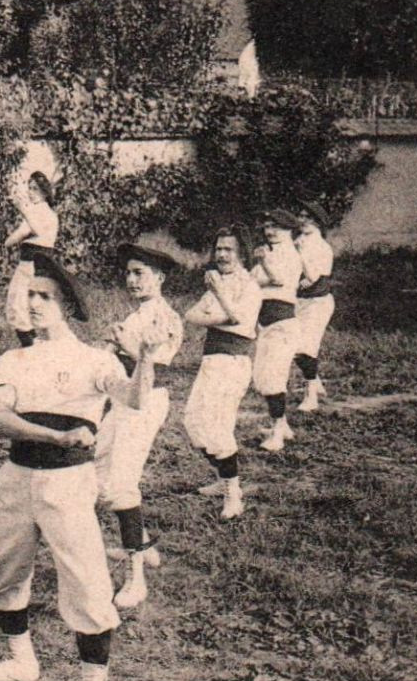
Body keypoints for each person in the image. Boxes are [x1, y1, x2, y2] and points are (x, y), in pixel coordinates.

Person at [0, 252, 152, 681]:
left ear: (66, 306)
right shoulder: (14, 358)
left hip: (67, 485)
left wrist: (146, 356)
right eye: (28, 294)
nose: (31, 304)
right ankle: (21, 661)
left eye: (43, 298)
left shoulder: (94, 359)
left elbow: (134, 397)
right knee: (1, 570)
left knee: (88, 582)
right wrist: (54, 436)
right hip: (17, 477)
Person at [94, 243, 184, 609]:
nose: (131, 280)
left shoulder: (166, 318)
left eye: (140, 274)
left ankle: (136, 579)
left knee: (120, 484)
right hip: (122, 401)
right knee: (100, 473)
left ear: (159, 279)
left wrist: (127, 346)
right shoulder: (136, 314)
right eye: (129, 273)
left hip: (144, 403)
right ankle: (143, 545)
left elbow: (153, 367)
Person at [182, 225, 264, 521]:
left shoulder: (249, 285)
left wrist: (219, 300)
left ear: (241, 252)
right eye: (218, 249)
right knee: (193, 422)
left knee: (218, 428)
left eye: (228, 249)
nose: (222, 255)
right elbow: (191, 315)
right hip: (211, 362)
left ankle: (233, 494)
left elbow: (243, 324)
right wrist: (223, 315)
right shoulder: (216, 283)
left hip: (233, 362)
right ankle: (222, 477)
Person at [252, 209, 303, 452]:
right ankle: (281, 425)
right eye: (267, 226)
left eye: (276, 227)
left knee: (273, 379)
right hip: (266, 325)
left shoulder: (291, 254)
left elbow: (279, 279)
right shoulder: (270, 253)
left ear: (289, 230)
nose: (270, 231)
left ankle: (277, 435)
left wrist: (263, 263)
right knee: (264, 377)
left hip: (281, 324)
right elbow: (252, 280)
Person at [3, 171, 60, 348]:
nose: (30, 192)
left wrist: (23, 210)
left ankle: (34, 348)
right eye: (29, 188)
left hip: (35, 265)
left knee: (22, 307)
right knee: (18, 306)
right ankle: (34, 345)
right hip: (28, 265)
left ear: (45, 192)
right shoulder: (34, 212)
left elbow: (37, 230)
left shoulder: (44, 212)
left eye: (35, 189)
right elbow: (12, 239)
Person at [293, 201, 337, 413]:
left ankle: (311, 395)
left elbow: (312, 277)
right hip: (299, 301)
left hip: (318, 304)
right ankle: (315, 380)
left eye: (308, 217)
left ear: (318, 223)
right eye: (301, 216)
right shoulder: (299, 242)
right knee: (292, 347)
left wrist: (300, 255)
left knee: (305, 349)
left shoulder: (323, 248)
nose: (303, 221)